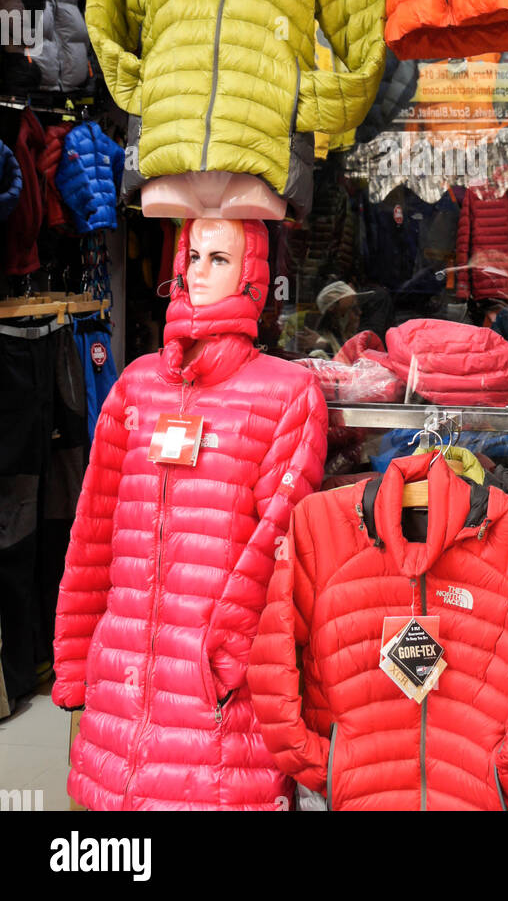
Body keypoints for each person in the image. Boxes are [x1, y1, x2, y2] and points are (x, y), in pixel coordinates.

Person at [51, 217, 328, 810]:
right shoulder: (136, 387)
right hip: (120, 690)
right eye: (193, 255)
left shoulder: (285, 394)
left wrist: (223, 662)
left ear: (252, 278)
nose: (199, 272)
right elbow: (92, 537)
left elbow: (280, 550)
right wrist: (77, 661)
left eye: (220, 260)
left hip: (217, 704)